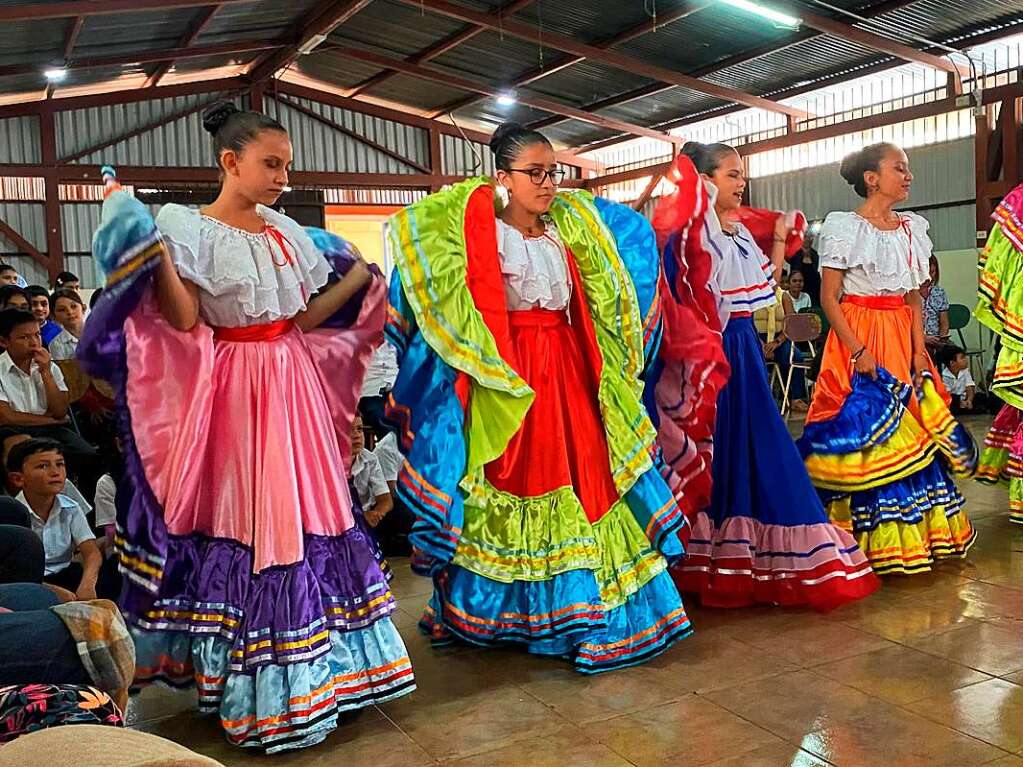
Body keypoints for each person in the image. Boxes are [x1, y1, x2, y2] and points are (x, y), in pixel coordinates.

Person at [77, 101, 413, 752]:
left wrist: (358, 285)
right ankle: (262, 685)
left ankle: (327, 677)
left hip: (291, 382)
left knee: (313, 513)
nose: (283, 175)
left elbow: (298, 322)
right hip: (234, 389)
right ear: (230, 162)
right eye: (271, 163)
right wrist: (157, 255)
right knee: (260, 525)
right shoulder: (188, 228)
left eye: (286, 164)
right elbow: (181, 320)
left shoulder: (286, 233)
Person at [385, 122, 693, 671]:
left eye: (553, 172)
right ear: (502, 177)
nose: (547, 184)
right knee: (514, 478)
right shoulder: (480, 233)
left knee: (590, 481)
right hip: (511, 378)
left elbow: (625, 249)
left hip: (570, 371)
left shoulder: (569, 231)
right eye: (534, 173)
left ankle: (589, 611)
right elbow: (429, 271)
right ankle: (511, 615)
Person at [663, 143, 877, 609]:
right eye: (732, 175)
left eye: (742, 176)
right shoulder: (691, 236)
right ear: (703, 181)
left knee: (753, 442)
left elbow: (763, 286)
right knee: (721, 446)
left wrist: (778, 238)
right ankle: (708, 554)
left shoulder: (734, 233)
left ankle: (736, 553)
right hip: (709, 350)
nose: (741, 184)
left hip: (740, 347)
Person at [800, 142, 976, 575]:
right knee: (863, 428)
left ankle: (913, 537)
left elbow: (915, 299)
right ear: (872, 178)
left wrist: (919, 350)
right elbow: (829, 297)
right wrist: (857, 349)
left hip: (900, 333)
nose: (909, 175)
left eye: (908, 168)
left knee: (910, 425)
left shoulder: (913, 228)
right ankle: (858, 538)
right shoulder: (844, 227)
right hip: (858, 332)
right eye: (900, 168)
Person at [0, 308, 100, 496]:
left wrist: (45, 372)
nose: (34, 343)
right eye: (24, 338)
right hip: (10, 431)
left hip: (51, 429)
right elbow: (6, 416)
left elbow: (60, 411)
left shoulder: (48, 366)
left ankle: (86, 511)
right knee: (25, 457)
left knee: (88, 455)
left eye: (37, 335)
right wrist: (52, 421)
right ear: (4, 341)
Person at [8, 439, 102, 599]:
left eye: (60, 464)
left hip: (66, 574)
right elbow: (10, 571)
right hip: (26, 581)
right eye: (43, 466)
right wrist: (52, 591)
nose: (55, 472)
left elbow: (91, 551)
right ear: (18, 479)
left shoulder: (71, 507)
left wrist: (87, 584)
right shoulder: (11, 513)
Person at [348, 414, 393, 527]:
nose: (357, 436)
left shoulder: (370, 459)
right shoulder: (328, 462)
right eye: (349, 430)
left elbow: (386, 500)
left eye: (360, 429)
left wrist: (376, 514)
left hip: (364, 515)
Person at [921, 254, 951, 357]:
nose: (929, 277)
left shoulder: (939, 292)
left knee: (955, 354)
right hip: (916, 339)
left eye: (933, 272)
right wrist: (923, 337)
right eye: (926, 273)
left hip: (936, 340)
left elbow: (944, 321)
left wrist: (942, 339)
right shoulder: (909, 294)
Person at [48, 289, 86, 361]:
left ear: (83, 308)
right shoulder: (56, 344)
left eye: (74, 306)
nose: (70, 312)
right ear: (53, 316)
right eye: (62, 310)